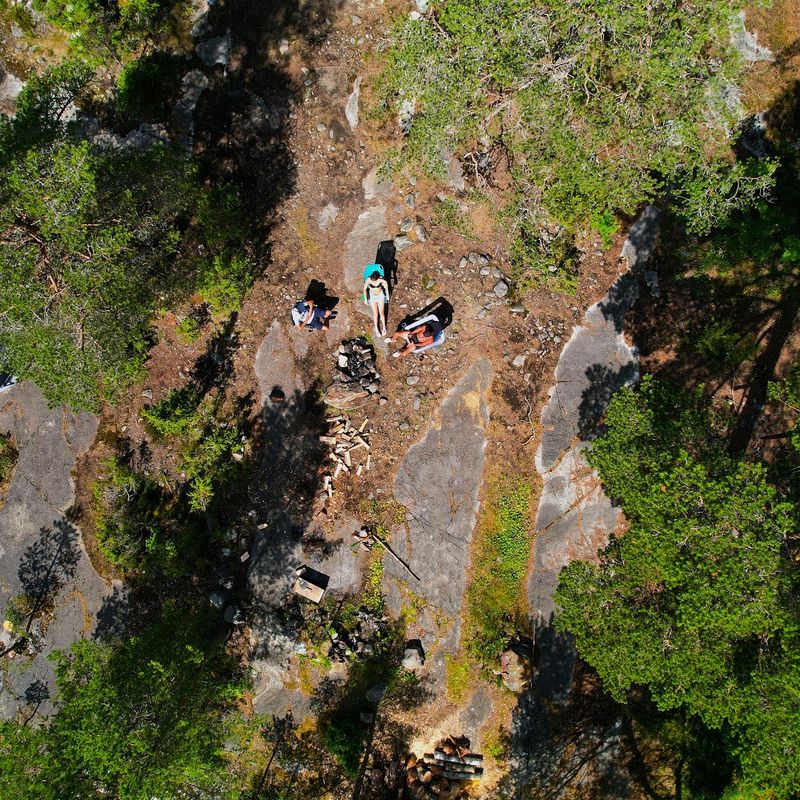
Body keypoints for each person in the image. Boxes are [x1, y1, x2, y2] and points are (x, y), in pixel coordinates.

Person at [363, 269, 389, 337]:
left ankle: (384, 327)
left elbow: (386, 288)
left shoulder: (381, 280)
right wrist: (365, 299)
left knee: (381, 312)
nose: (373, 283)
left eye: (375, 281)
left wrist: (385, 284)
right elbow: (364, 289)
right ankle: (377, 329)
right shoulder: (368, 280)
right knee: (375, 313)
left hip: (380, 296)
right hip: (372, 296)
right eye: (372, 281)